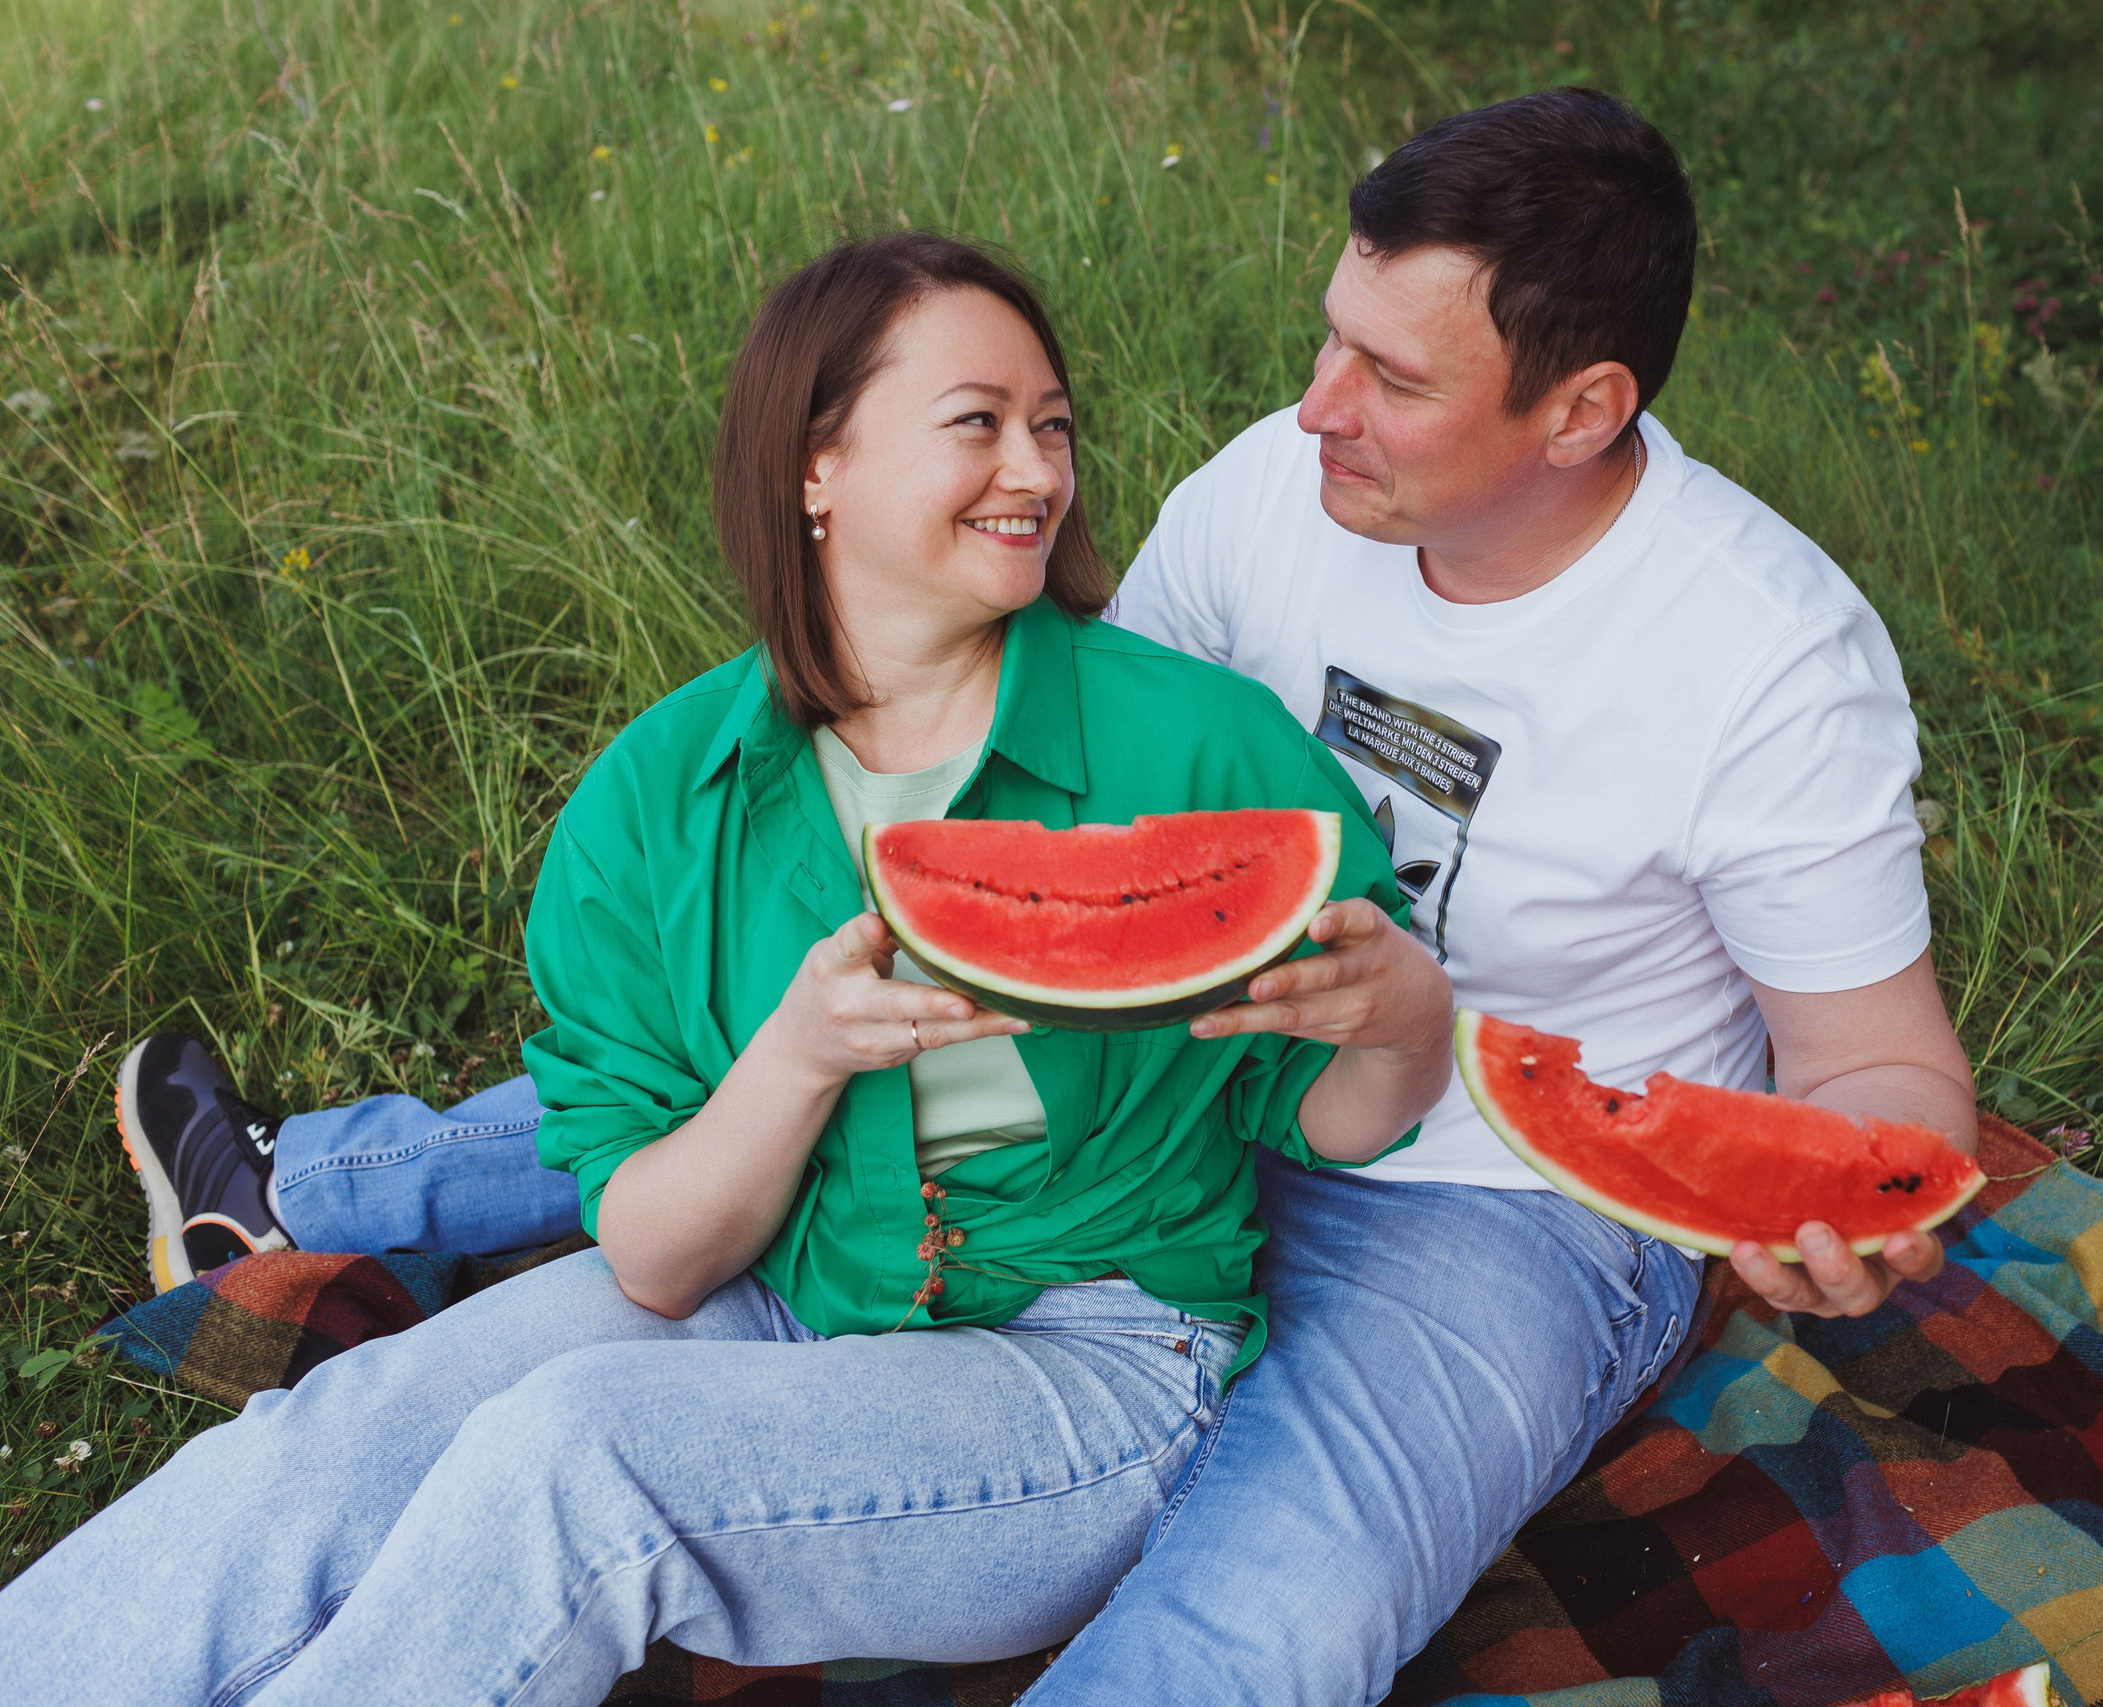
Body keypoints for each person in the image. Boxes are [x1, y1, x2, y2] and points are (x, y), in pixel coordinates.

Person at [108, 88, 1977, 1705]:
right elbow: (1066, 829)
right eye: (1330, 334)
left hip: (1493, 1194)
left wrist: (1849, 1200)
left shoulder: (1766, 657)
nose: (1314, 403)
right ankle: (308, 1189)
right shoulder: (1283, 483)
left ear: (1580, 410)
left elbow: (1884, 1075)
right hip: (1165, 1070)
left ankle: (333, 1185)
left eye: (1394, 379)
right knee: (768, 1048)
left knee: (1256, 1627)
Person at [9, 230, 1456, 1704]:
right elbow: (659, 1259)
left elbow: (1322, 1117)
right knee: (349, 1432)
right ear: (815, 465)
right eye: (977, 424)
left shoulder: (1200, 750)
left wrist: (1409, 1023)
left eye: (1054, 427)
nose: (1036, 471)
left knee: (577, 1461)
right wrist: (802, 1053)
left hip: (1096, 1360)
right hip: (780, 1279)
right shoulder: (655, 803)